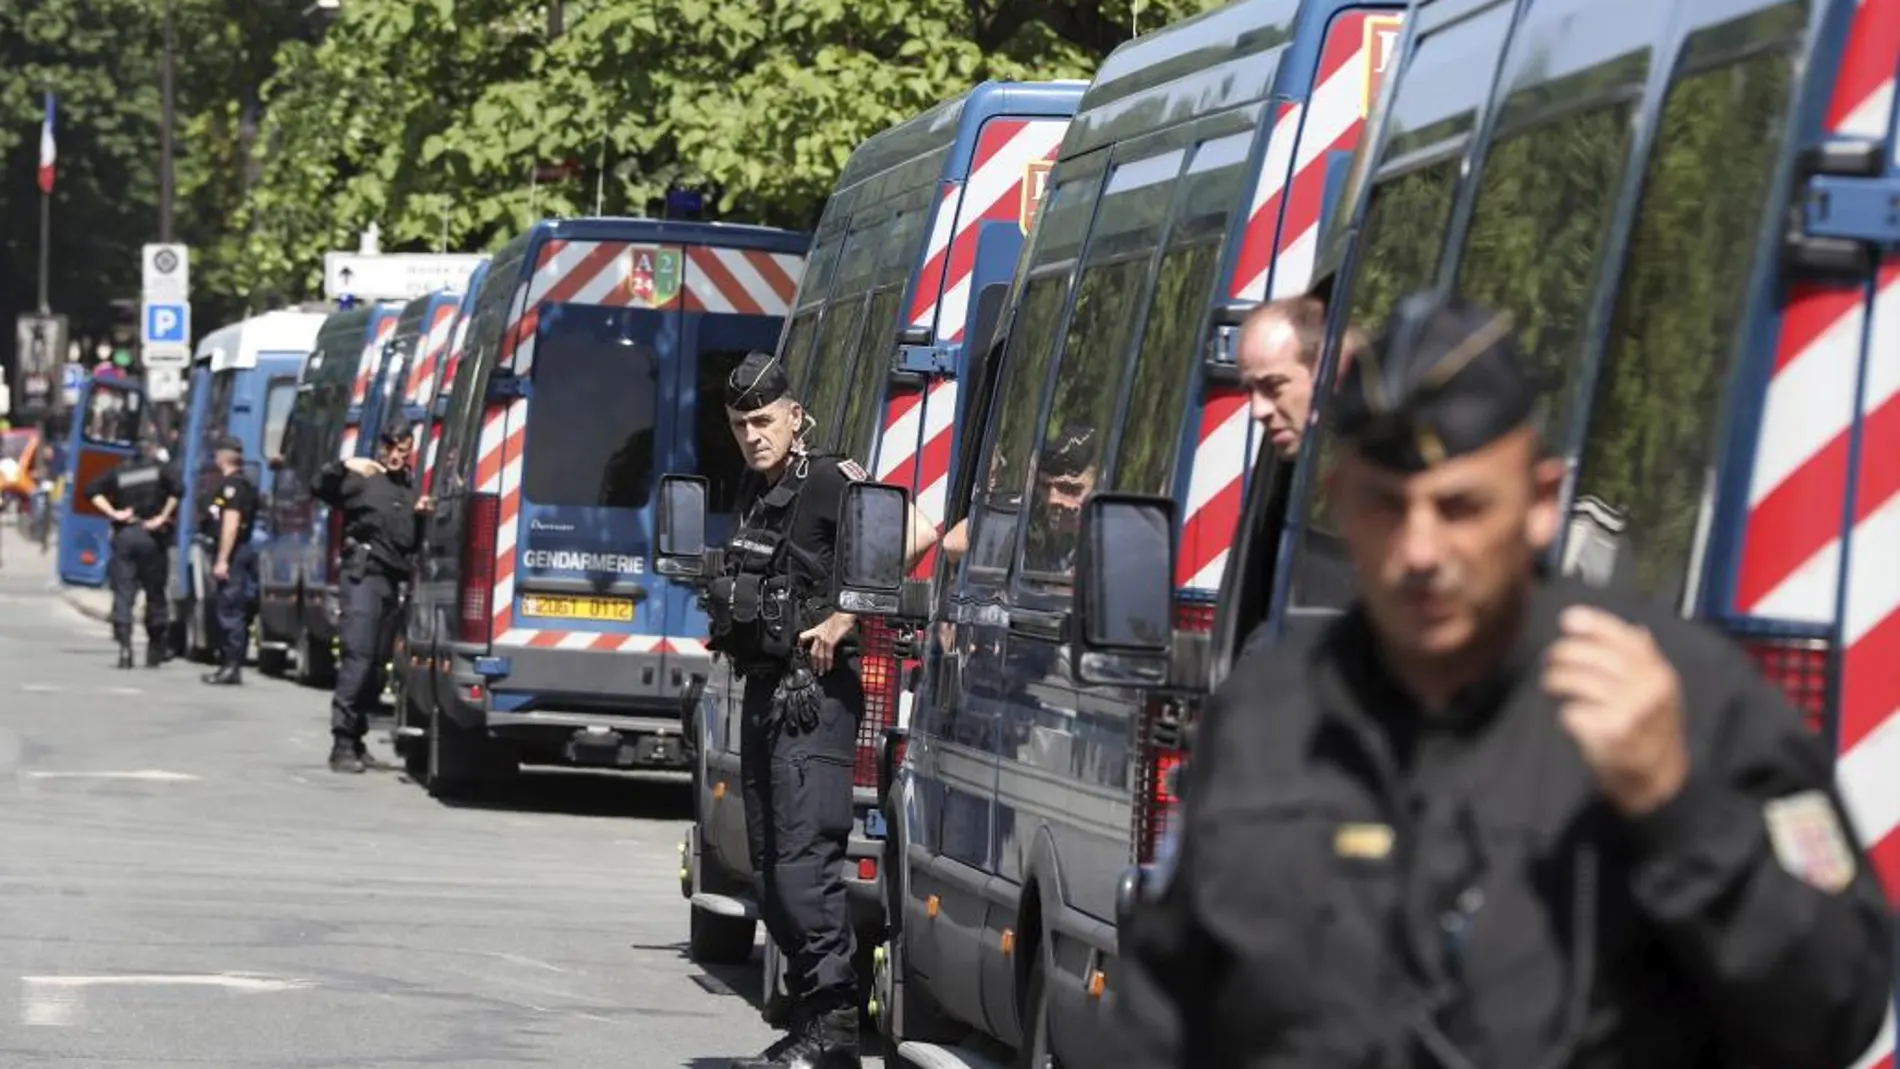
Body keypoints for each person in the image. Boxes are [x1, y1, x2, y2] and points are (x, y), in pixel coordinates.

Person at [1112, 292, 1893, 1069]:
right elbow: (1161, 1021)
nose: (1420, 550)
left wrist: (1681, 810)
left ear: (1542, 504)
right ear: (1341, 503)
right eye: (1388, 506)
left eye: (1460, 508)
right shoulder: (1268, 722)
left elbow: (1836, 1007)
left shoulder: (1678, 697)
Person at [708, 351, 936, 1068]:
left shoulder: (832, 480)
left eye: (765, 420)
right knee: (773, 873)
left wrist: (843, 616)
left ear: (795, 415)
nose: (753, 434)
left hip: (816, 699)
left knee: (805, 869)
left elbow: (916, 529)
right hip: (765, 692)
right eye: (742, 423)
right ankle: (817, 1023)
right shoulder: (757, 487)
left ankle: (835, 1031)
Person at [314, 420, 431, 774]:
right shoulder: (362, 480)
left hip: (392, 585)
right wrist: (345, 465)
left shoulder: (410, 490)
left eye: (403, 449)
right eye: (391, 447)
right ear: (382, 446)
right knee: (359, 658)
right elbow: (320, 486)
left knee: (379, 667)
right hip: (363, 579)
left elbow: (411, 539)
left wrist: (423, 512)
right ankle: (342, 743)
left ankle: (358, 736)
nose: (396, 455)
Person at [85, 437, 182, 669]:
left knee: (124, 592)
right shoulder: (162, 470)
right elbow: (179, 490)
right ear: (152, 450)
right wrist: (161, 517)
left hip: (126, 534)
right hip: (152, 536)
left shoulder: (120, 471)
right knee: (155, 593)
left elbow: (91, 490)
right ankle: (154, 649)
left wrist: (114, 513)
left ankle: (125, 649)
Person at [200, 435, 260, 686]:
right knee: (228, 608)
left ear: (223, 456)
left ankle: (231, 666)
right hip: (234, 551)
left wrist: (223, 559)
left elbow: (231, 524)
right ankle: (228, 664)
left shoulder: (234, 485)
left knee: (229, 609)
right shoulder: (237, 483)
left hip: (233, 554)